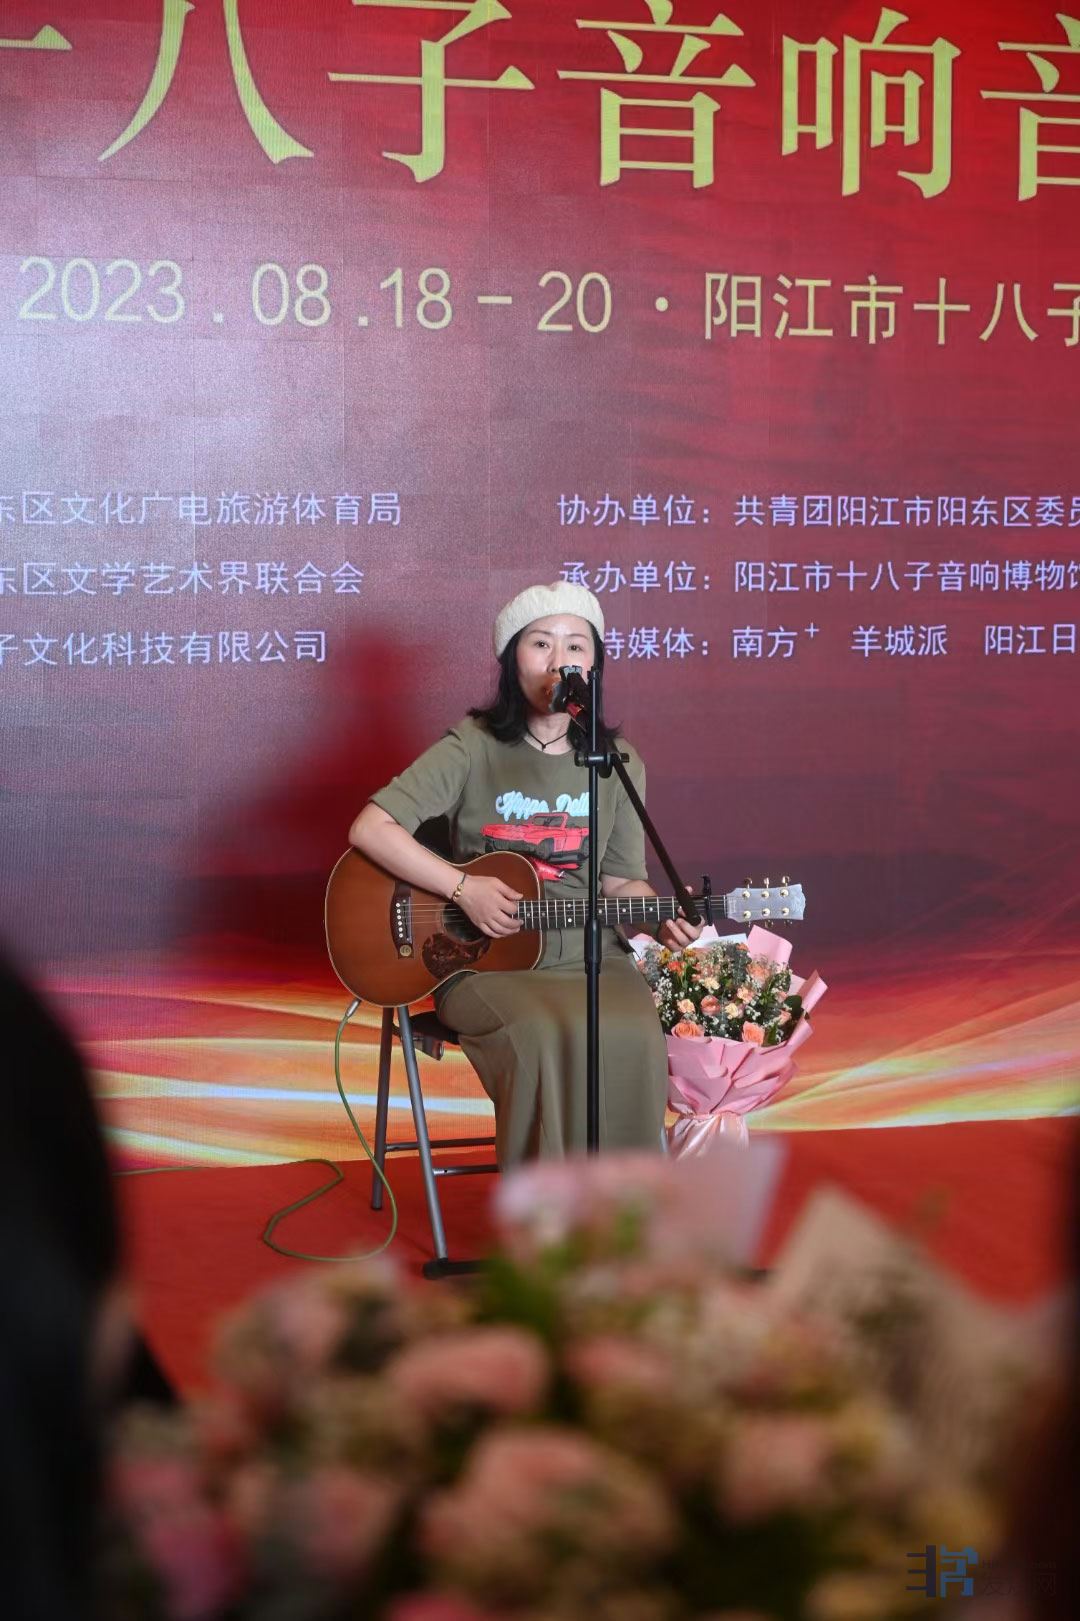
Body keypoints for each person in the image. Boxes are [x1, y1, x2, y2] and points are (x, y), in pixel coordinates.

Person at [349, 580, 701, 1164]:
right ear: (512, 660)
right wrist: (463, 886)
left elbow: (620, 882)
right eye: (541, 644)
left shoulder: (619, 763)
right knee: (538, 1035)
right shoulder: (471, 746)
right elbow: (371, 827)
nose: (560, 660)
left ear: (594, 666)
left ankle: (624, 1208)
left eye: (576, 647)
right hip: (487, 958)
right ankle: (547, 1212)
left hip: (590, 955)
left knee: (634, 1031)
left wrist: (659, 920)